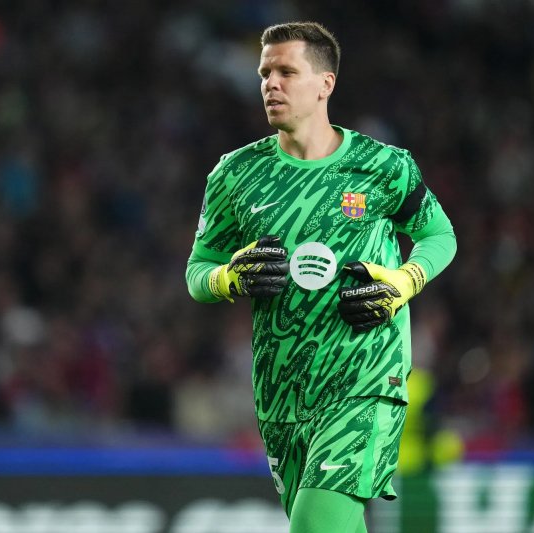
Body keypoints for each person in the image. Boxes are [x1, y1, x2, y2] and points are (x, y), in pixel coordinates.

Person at [186, 21, 457, 533]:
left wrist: (404, 282)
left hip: (364, 381)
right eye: (265, 73)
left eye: (287, 72)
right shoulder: (234, 174)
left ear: (324, 84)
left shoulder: (383, 166)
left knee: (314, 527)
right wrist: (228, 278)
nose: (271, 83)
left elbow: (439, 235)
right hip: (280, 394)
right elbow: (197, 272)